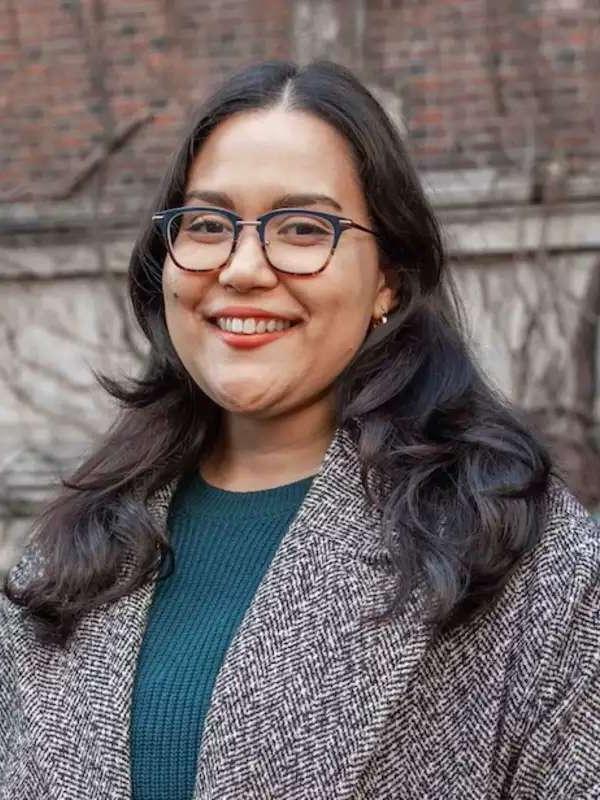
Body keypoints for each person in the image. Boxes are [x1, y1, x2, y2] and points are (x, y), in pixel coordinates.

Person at [0, 60, 598, 800]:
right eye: (210, 225)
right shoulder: (65, 563)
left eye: (303, 228)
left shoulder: (524, 560)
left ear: (389, 276)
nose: (243, 268)